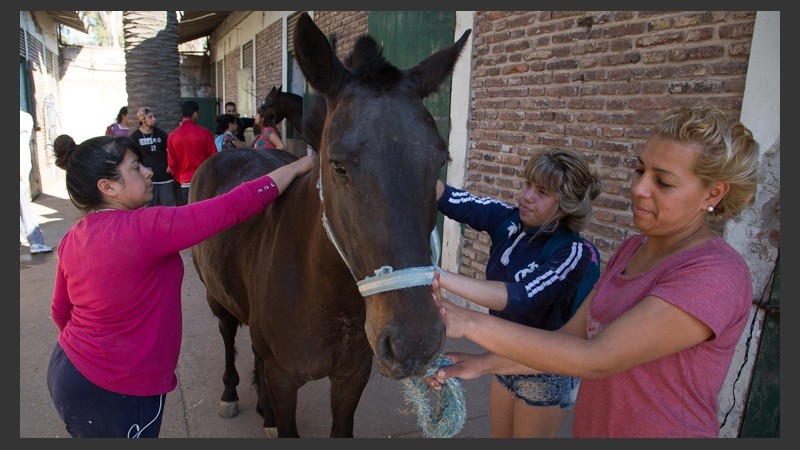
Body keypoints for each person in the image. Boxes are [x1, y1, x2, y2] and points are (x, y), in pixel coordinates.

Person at [426, 105, 760, 438]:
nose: (639, 188)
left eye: (663, 182)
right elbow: (568, 340)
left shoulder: (715, 274)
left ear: (713, 193)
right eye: (639, 169)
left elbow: (597, 358)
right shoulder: (632, 250)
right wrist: (484, 363)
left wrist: (467, 320)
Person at [46, 133, 315, 438]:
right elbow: (234, 206)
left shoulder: (73, 237)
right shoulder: (145, 229)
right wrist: (296, 167)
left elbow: (60, 311)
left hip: (67, 370)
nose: (149, 172)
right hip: (117, 391)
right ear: (108, 188)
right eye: (135, 168)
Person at [432, 148, 601, 438]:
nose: (526, 196)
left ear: (567, 205)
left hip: (546, 371)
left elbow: (522, 295)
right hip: (504, 358)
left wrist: (438, 276)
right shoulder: (508, 220)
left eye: (543, 192)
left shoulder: (572, 251)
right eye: (527, 184)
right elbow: (448, 197)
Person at [167, 100, 218, 205]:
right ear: (195, 113)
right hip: (204, 180)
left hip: (185, 182)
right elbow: (214, 158)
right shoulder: (204, 133)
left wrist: (181, 178)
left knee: (190, 214)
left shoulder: (172, 136)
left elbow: (172, 164)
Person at [20, 109, 54, 254]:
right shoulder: (24, 118)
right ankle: (36, 242)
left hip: (21, 168)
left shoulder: (24, 118)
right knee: (24, 206)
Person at [130, 107, 176, 207]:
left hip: (165, 178)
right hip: (147, 180)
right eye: (150, 117)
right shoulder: (135, 137)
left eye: (154, 116)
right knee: (148, 209)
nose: (154, 119)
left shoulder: (161, 134)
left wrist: (170, 165)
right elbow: (133, 157)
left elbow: (170, 150)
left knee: (169, 207)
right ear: (142, 119)